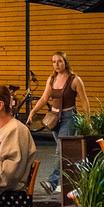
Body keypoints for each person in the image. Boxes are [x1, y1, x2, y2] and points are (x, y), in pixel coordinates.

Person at [26, 51, 89, 193]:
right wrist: (33, 112)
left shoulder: (75, 80)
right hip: (54, 119)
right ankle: (75, 180)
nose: (56, 64)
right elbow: (44, 98)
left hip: (69, 118)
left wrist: (87, 120)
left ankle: (51, 182)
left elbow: (84, 101)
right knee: (66, 153)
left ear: (65, 62)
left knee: (60, 150)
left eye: (59, 61)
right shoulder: (51, 79)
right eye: (54, 62)